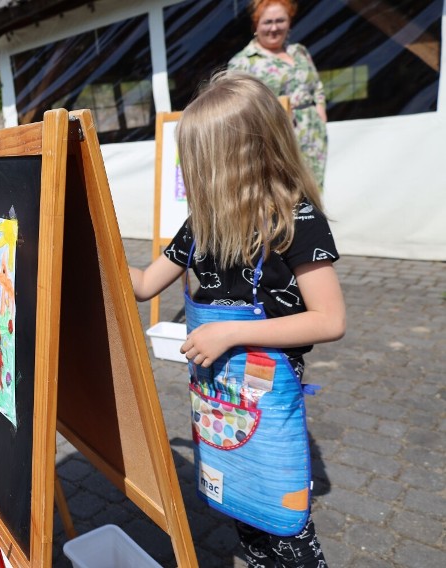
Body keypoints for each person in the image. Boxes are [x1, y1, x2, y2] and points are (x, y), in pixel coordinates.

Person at [130, 73, 345, 567]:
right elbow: (143, 284)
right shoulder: (202, 226)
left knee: (287, 531)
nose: (191, 171)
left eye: (199, 160)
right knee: (245, 520)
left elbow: (330, 320)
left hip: (269, 413)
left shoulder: (296, 219)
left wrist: (231, 332)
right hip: (220, 412)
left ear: (239, 157)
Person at [228, 0, 328, 188]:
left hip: (313, 136)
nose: (274, 28)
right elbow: (235, 107)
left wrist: (320, 110)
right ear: (256, 24)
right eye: (268, 22)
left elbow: (316, 86)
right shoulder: (243, 62)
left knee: (314, 194)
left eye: (280, 21)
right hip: (277, 141)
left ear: (289, 22)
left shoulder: (300, 52)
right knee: (286, 194)